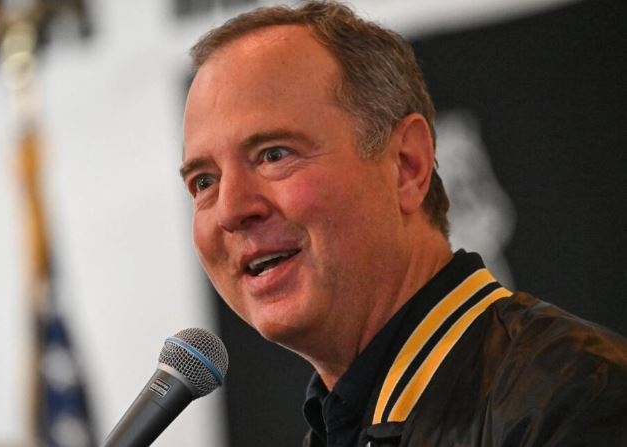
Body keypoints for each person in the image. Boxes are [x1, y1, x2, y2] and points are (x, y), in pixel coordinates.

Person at [179, 1, 627, 446]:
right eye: (204, 181)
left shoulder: (576, 397)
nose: (231, 209)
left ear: (406, 165)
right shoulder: (343, 428)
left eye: (274, 154)